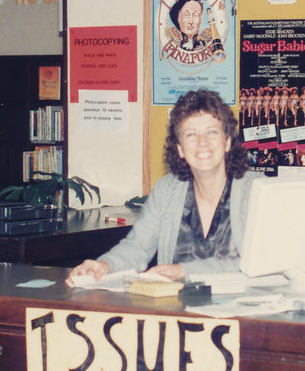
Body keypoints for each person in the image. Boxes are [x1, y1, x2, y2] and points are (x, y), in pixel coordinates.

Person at [67, 88, 261, 283]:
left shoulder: (257, 191)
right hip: (176, 307)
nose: (202, 142)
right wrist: (105, 265)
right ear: (180, 149)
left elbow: (263, 262)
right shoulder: (166, 190)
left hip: (243, 307)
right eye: (191, 135)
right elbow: (137, 247)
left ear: (227, 142)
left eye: (212, 132)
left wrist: (184, 271)